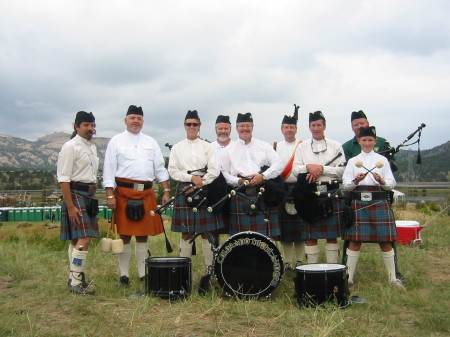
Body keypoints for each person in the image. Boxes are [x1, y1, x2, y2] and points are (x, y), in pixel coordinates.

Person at [103, 105, 171, 286]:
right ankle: (124, 275)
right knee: (124, 235)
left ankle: (143, 274)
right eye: (132, 118)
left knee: (143, 236)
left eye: (139, 118)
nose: (135, 121)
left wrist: (166, 190)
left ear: (143, 121)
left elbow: (159, 168)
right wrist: (110, 195)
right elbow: (108, 169)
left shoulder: (151, 142)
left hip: (146, 193)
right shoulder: (116, 141)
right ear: (125, 120)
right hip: (123, 193)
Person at [342, 126, 405, 289]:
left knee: (385, 241)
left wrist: (381, 181)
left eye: (370, 140)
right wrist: (356, 180)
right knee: (355, 241)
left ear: (375, 141)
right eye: (364, 140)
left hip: (378, 202)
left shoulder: (382, 161)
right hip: (359, 203)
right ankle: (348, 278)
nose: (367, 143)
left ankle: (393, 279)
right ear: (359, 141)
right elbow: (346, 186)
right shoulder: (353, 161)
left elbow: (391, 184)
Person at [168, 110, 224, 270]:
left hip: (205, 190)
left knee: (208, 232)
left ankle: (210, 270)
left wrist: (202, 182)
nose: (192, 127)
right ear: (184, 126)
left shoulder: (207, 146)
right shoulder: (177, 148)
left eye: (195, 124)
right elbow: (172, 171)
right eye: (188, 124)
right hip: (184, 189)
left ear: (199, 126)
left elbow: (215, 169)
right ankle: (183, 270)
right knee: (186, 232)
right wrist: (191, 179)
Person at [292, 111, 345, 264]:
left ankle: (333, 268)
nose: (316, 128)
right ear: (309, 127)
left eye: (319, 125)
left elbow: (342, 171)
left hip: (331, 191)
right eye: (313, 125)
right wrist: (308, 166)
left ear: (324, 126)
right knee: (311, 236)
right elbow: (295, 170)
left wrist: (322, 169)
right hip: (309, 193)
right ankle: (312, 270)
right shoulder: (302, 147)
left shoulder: (336, 146)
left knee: (331, 236)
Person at [221, 112, 284, 237]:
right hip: (240, 193)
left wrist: (263, 176)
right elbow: (224, 173)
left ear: (252, 127)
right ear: (237, 128)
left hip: (263, 193)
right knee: (240, 239)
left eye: (248, 125)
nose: (245, 128)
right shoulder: (228, 150)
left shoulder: (264, 146)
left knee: (267, 239)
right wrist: (237, 181)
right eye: (242, 126)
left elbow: (279, 164)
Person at [57, 111, 99, 295]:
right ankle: (76, 282)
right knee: (84, 238)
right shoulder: (70, 146)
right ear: (76, 126)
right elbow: (64, 179)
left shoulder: (92, 146)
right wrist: (71, 206)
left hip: (88, 195)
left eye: (92, 125)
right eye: (86, 125)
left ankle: (75, 277)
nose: (91, 129)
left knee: (76, 239)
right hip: (75, 194)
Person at [274, 106, 306, 269]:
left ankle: (300, 261)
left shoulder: (303, 145)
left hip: (300, 189)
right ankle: (286, 262)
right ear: (281, 129)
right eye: (286, 127)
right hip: (282, 189)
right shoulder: (275, 146)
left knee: (300, 230)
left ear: (296, 129)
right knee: (286, 231)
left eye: (292, 127)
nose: (289, 130)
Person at [210, 115, 233, 237]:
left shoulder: (237, 147)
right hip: (215, 192)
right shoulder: (209, 148)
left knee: (234, 227)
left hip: (234, 190)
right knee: (213, 229)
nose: (223, 131)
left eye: (226, 129)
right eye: (220, 129)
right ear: (215, 130)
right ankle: (214, 255)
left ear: (230, 129)